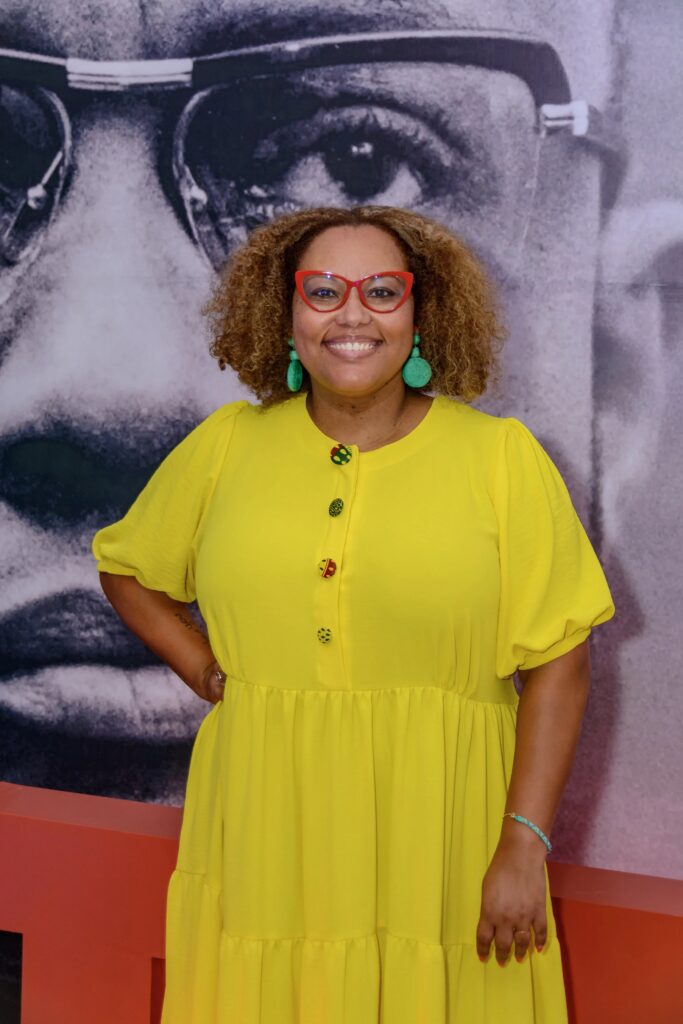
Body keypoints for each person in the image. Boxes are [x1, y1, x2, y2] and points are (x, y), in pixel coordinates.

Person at [91, 204, 615, 1022]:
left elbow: (561, 662)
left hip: (441, 840)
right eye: (324, 290)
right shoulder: (228, 444)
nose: (351, 314)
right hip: (266, 833)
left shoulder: (501, 460)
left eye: (381, 291)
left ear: (421, 313)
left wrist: (522, 841)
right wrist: (200, 665)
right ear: (286, 310)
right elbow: (127, 568)